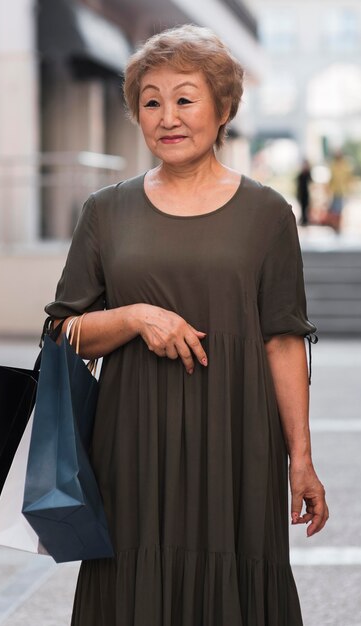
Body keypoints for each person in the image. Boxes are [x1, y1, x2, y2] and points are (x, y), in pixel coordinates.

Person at [45, 25, 328, 626]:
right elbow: (62, 334)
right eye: (151, 101)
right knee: (132, 583)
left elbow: (282, 339)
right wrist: (131, 316)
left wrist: (300, 458)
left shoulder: (268, 214)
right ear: (137, 114)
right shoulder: (104, 211)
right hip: (130, 446)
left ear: (223, 109)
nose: (167, 117)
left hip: (239, 442)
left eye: (184, 98)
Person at [327, 150, 353, 233]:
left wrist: (348, 189)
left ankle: (338, 225)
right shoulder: (333, 165)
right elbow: (331, 178)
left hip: (342, 191)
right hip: (335, 191)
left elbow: (348, 178)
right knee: (335, 210)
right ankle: (335, 225)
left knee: (339, 209)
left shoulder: (345, 165)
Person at [296, 158, 312, 226]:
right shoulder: (301, 175)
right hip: (301, 194)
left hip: (306, 194)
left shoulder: (308, 174)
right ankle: (303, 219)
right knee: (302, 207)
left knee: (306, 207)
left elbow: (311, 182)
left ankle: (305, 219)